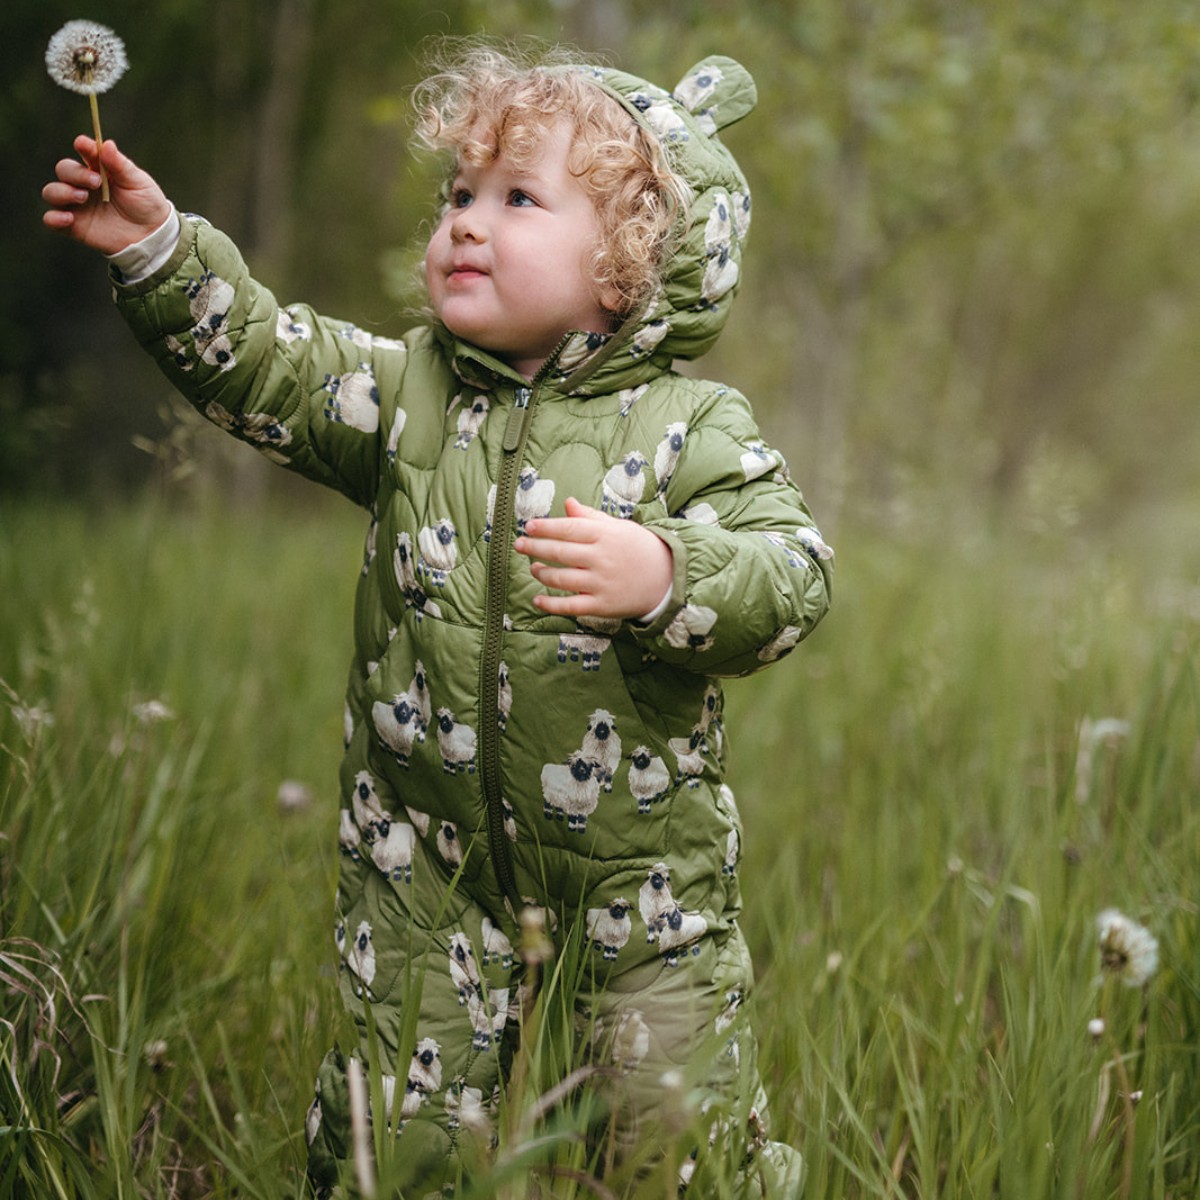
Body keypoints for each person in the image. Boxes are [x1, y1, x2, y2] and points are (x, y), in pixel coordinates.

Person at [43, 42, 832, 1198]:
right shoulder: (411, 395)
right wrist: (162, 253)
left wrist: (667, 571)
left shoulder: (691, 425)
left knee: (672, 1140)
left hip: (639, 877)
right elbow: (271, 366)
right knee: (392, 1142)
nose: (467, 221)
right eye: (459, 194)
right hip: (425, 864)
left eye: (518, 198)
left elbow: (794, 574)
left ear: (628, 264)